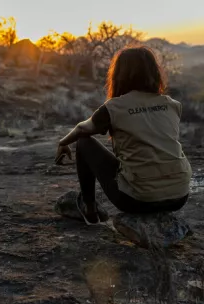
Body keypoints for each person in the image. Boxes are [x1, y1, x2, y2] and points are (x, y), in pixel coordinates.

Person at [53, 45, 192, 245]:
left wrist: (63, 141)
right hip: (179, 196)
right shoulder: (171, 104)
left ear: (119, 75)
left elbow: (83, 130)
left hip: (136, 199)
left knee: (84, 143)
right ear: (153, 73)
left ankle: (89, 210)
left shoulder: (115, 107)